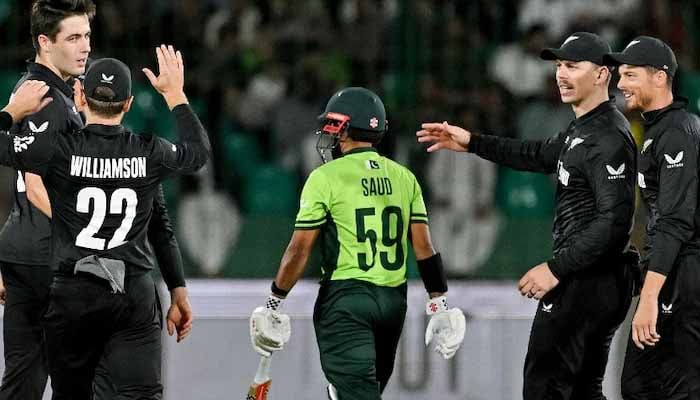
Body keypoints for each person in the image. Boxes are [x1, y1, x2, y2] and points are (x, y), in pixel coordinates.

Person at [417, 32, 637, 399]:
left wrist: (555, 269)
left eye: (573, 66)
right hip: (592, 279)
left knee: (543, 389)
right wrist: (472, 142)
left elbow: (615, 223)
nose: (561, 74)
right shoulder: (585, 128)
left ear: (602, 75)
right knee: (582, 391)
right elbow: (536, 154)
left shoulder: (607, 136)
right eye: (559, 66)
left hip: (586, 280)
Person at [0, 1, 193, 398]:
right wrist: (96, 240)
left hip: (36, 255)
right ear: (44, 42)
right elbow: (34, 185)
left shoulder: (58, 95)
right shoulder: (46, 98)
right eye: (73, 37)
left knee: (27, 382)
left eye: (87, 35)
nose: (85, 46)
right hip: (52, 262)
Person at [248, 87, 466, 400]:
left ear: (346, 127)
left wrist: (274, 301)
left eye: (334, 125)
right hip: (393, 303)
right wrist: (439, 303)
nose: (331, 133)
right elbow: (424, 249)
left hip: (346, 300)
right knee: (358, 393)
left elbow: (299, 249)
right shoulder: (405, 177)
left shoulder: (325, 177)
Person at [604, 35, 700, 400]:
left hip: (685, 274)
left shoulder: (677, 132)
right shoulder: (659, 131)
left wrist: (649, 296)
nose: (620, 84)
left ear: (659, 77)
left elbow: (675, 221)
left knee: (676, 388)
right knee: (640, 386)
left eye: (630, 75)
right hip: (672, 272)